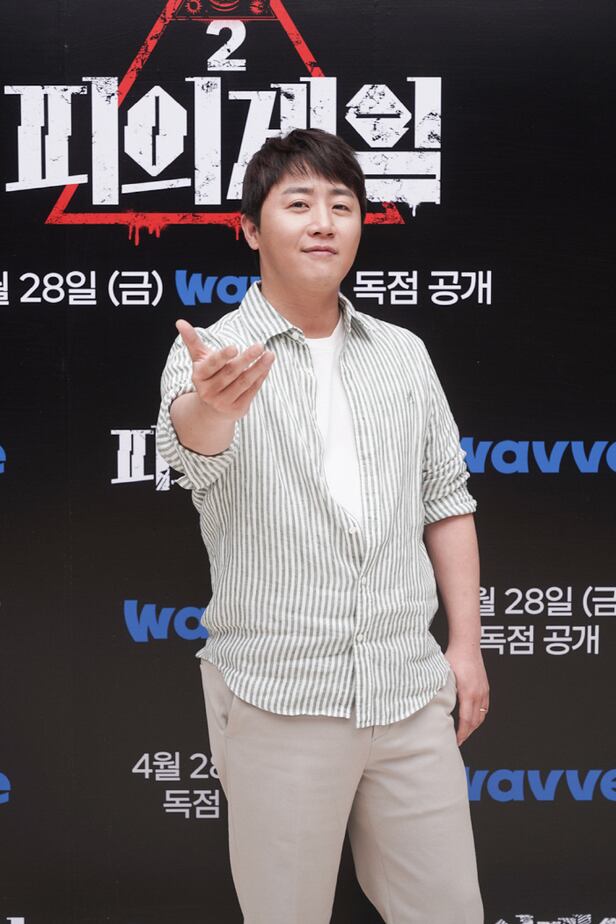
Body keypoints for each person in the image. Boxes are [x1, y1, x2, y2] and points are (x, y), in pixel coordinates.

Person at [156, 127, 488, 924]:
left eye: (341, 205)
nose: (323, 223)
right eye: (298, 203)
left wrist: (467, 648)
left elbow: (447, 500)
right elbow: (194, 447)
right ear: (250, 228)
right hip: (282, 695)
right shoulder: (212, 356)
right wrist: (213, 405)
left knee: (450, 911)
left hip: (408, 691)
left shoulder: (402, 354)